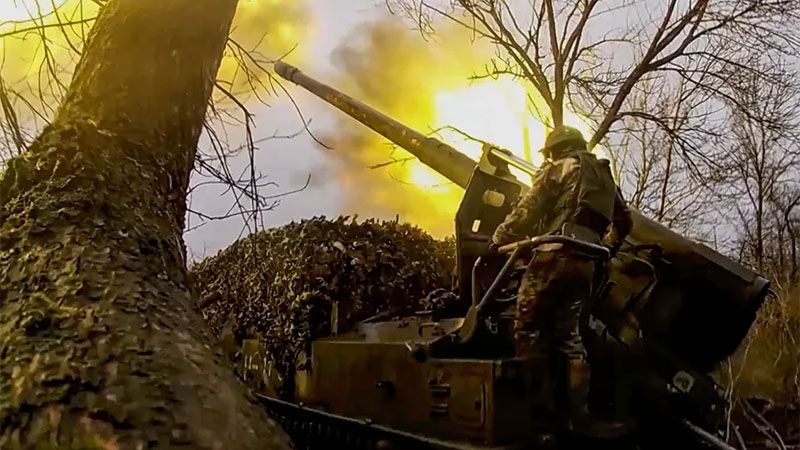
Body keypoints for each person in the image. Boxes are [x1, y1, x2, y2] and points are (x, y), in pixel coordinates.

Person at [489, 126, 632, 436]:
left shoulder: (560, 167)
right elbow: (625, 221)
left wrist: (500, 238)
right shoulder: (605, 177)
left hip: (552, 257)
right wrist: (607, 248)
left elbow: (529, 207)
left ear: (557, 149)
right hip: (585, 265)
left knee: (528, 328)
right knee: (570, 339)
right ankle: (579, 417)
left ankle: (538, 414)